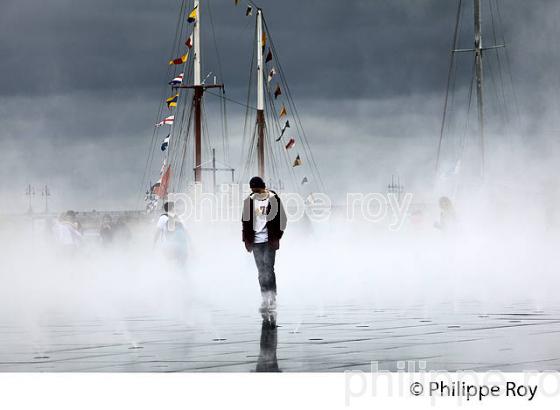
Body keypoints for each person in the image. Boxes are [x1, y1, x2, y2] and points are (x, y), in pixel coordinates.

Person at [242, 176, 287, 312]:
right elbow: (244, 221)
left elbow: (283, 219)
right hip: (255, 241)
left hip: (269, 241)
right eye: (253, 190)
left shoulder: (273, 198)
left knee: (268, 268)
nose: (256, 193)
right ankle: (264, 297)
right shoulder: (248, 201)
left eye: (258, 190)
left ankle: (272, 296)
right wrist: (246, 240)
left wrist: (277, 236)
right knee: (261, 271)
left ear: (263, 187)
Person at [154, 202, 188, 266]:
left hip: (167, 245)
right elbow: (186, 233)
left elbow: (157, 232)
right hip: (180, 246)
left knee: (168, 265)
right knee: (180, 265)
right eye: (175, 207)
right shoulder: (179, 218)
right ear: (172, 208)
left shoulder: (163, 218)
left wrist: (154, 244)